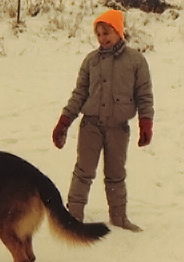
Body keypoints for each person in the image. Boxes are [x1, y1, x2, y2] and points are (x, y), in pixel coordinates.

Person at [52, 9, 154, 232]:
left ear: (119, 31)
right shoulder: (91, 61)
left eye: (107, 32)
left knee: (116, 174)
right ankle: (74, 216)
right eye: (98, 34)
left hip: (118, 128)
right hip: (91, 126)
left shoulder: (136, 61)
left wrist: (146, 122)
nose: (102, 38)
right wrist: (64, 121)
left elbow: (144, 95)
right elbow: (79, 94)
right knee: (83, 171)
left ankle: (119, 217)